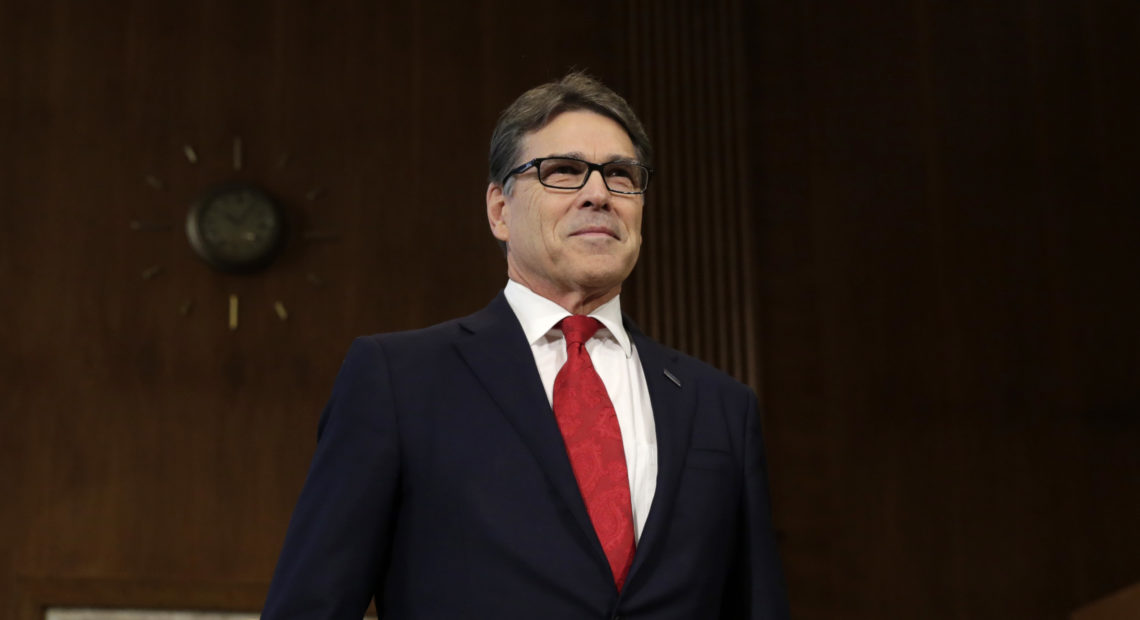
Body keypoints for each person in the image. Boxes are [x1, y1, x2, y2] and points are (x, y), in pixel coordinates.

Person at [262, 72, 788, 619]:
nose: (598, 194)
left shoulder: (722, 406)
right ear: (499, 210)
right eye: (563, 171)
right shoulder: (399, 380)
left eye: (620, 175)